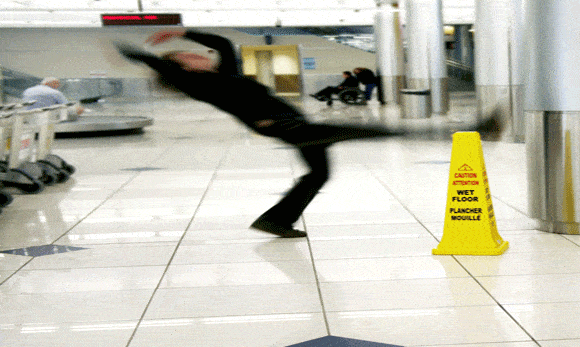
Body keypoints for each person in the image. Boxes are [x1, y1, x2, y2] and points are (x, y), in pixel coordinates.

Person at [115, 29, 402, 238]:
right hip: (279, 124)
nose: (197, 55)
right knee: (348, 132)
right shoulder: (193, 83)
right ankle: (399, 133)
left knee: (318, 174)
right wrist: (137, 52)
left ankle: (276, 220)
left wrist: (183, 33)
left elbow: (223, 44)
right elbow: (151, 60)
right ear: (181, 67)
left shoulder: (224, 73)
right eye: (189, 56)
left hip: (291, 120)